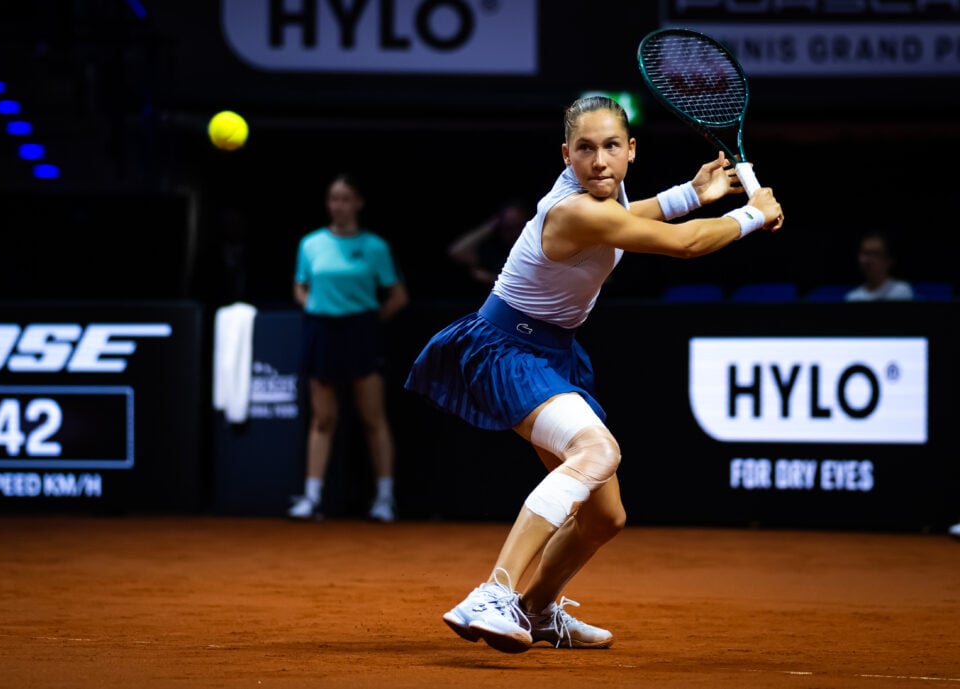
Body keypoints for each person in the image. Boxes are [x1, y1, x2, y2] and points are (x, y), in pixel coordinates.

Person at [404, 95, 784, 653]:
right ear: (567, 156)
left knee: (605, 517)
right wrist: (753, 214)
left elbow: (628, 218)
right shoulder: (574, 208)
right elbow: (682, 245)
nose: (599, 160)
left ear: (631, 151)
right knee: (597, 452)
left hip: (552, 352)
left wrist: (691, 194)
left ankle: (535, 610)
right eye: (585, 149)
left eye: (611, 147)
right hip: (506, 349)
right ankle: (492, 593)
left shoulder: (607, 196)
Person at [288, 173, 409, 523]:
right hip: (321, 330)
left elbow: (398, 296)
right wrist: (311, 304)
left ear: (358, 203)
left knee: (373, 418)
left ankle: (384, 500)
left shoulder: (375, 247)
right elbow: (300, 286)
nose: (337, 205)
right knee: (323, 418)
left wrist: (368, 322)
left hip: (362, 332)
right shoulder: (309, 244)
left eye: (344, 199)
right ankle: (311, 499)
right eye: (332, 199)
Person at [447, 199, 531, 287]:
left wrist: (492, 278)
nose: (512, 231)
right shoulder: (492, 247)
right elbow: (455, 252)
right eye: (508, 226)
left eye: (517, 226)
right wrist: (492, 225)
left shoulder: (530, 250)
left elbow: (525, 284)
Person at [844, 229, 914, 301]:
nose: (868, 260)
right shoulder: (853, 297)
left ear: (889, 260)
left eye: (875, 254)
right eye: (865, 253)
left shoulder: (901, 291)